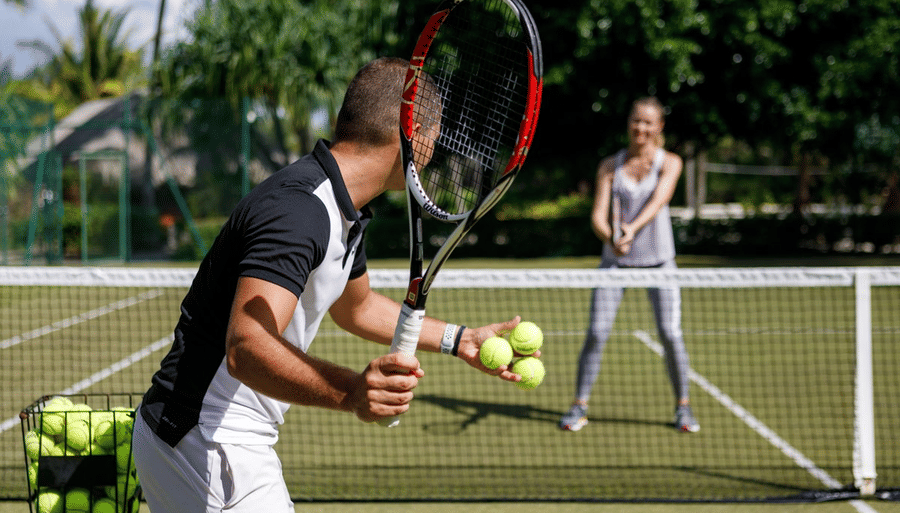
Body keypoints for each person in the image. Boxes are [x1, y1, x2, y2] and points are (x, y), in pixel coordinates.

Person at [131, 57, 534, 513]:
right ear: (411, 130)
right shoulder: (300, 211)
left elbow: (356, 309)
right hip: (206, 437)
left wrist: (459, 339)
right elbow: (246, 348)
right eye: (434, 135)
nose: (434, 148)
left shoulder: (341, 209)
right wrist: (353, 393)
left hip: (205, 437)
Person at [558, 97, 698, 433]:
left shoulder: (671, 163)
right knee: (596, 332)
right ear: (629, 124)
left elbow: (659, 199)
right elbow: (597, 216)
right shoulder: (610, 166)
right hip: (615, 265)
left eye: (649, 122)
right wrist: (611, 239)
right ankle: (579, 405)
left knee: (670, 333)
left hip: (660, 263)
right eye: (636, 121)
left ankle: (683, 408)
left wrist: (631, 230)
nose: (641, 128)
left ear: (659, 127)